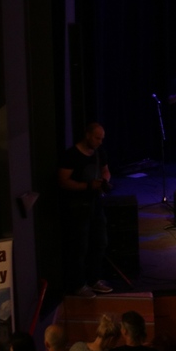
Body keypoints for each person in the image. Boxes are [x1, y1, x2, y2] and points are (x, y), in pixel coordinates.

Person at [58, 122, 113, 297]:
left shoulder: (99, 152)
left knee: (99, 242)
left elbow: (106, 171)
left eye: (102, 139)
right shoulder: (71, 155)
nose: (100, 142)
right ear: (87, 135)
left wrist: (104, 181)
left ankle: (94, 279)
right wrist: (87, 186)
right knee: (79, 247)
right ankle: (78, 284)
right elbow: (63, 181)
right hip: (77, 206)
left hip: (95, 204)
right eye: (97, 138)